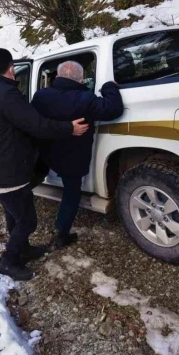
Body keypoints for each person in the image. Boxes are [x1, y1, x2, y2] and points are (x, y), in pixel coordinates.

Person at [0, 49, 89, 281]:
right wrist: (69, 128)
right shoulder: (6, 94)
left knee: (13, 214)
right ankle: (9, 261)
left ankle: (23, 249)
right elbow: (37, 125)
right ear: (11, 67)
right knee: (27, 221)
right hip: (7, 172)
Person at [32, 61, 124, 248]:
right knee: (71, 193)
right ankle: (61, 233)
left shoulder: (40, 96)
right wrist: (109, 87)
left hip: (46, 151)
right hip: (72, 157)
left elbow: (34, 121)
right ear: (81, 79)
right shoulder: (86, 98)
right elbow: (114, 109)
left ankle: (23, 216)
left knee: (33, 178)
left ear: (56, 77)